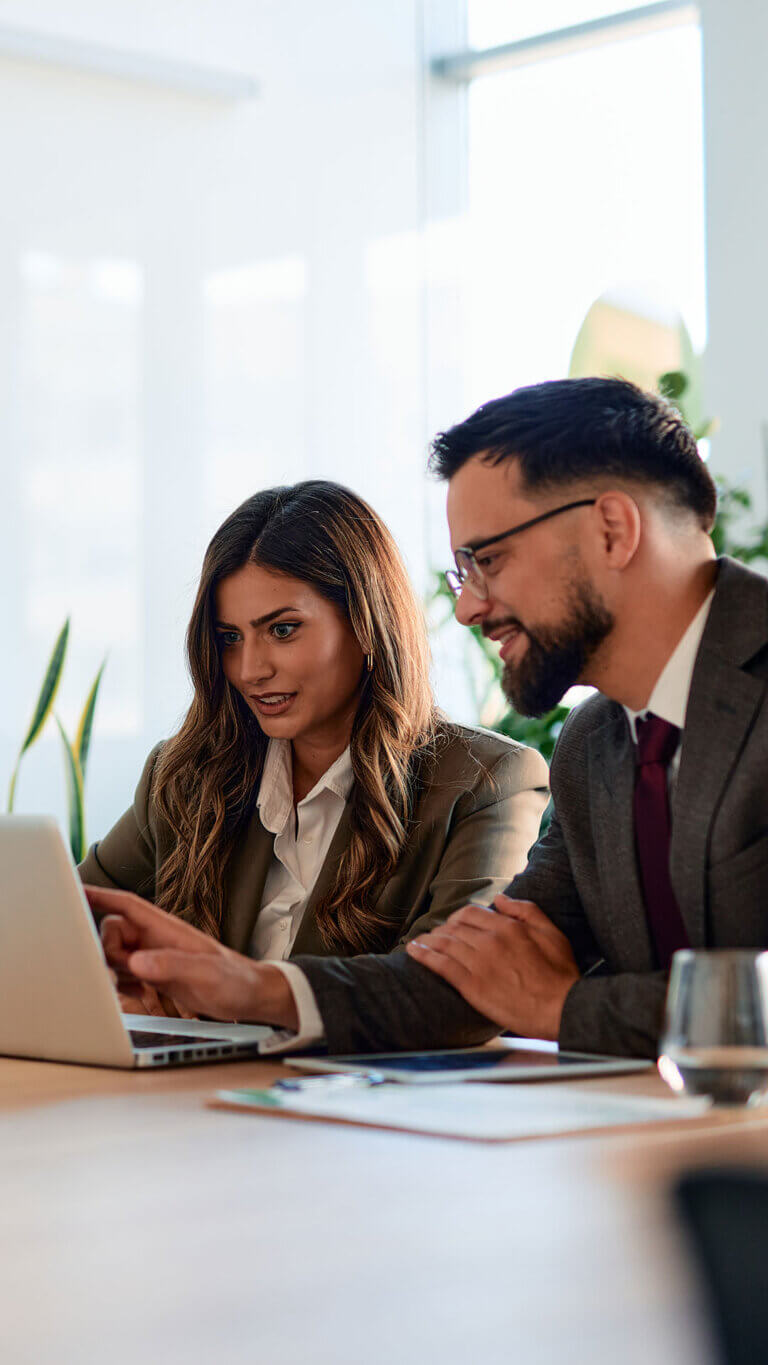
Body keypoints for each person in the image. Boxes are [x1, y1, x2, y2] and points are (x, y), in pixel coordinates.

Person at [81, 480, 548, 1053]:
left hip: (369, 1123)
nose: (251, 669)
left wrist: (251, 991)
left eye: (282, 630)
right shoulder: (185, 775)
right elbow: (64, 922)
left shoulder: (486, 780)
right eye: (229, 637)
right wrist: (113, 986)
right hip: (195, 1111)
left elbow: (458, 994)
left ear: (366, 623)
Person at [405, 376, 768, 1058]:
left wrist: (567, 1006)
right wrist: (257, 989)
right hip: (650, 1149)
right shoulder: (592, 743)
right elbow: (483, 964)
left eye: (488, 559)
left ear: (612, 529)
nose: (467, 608)